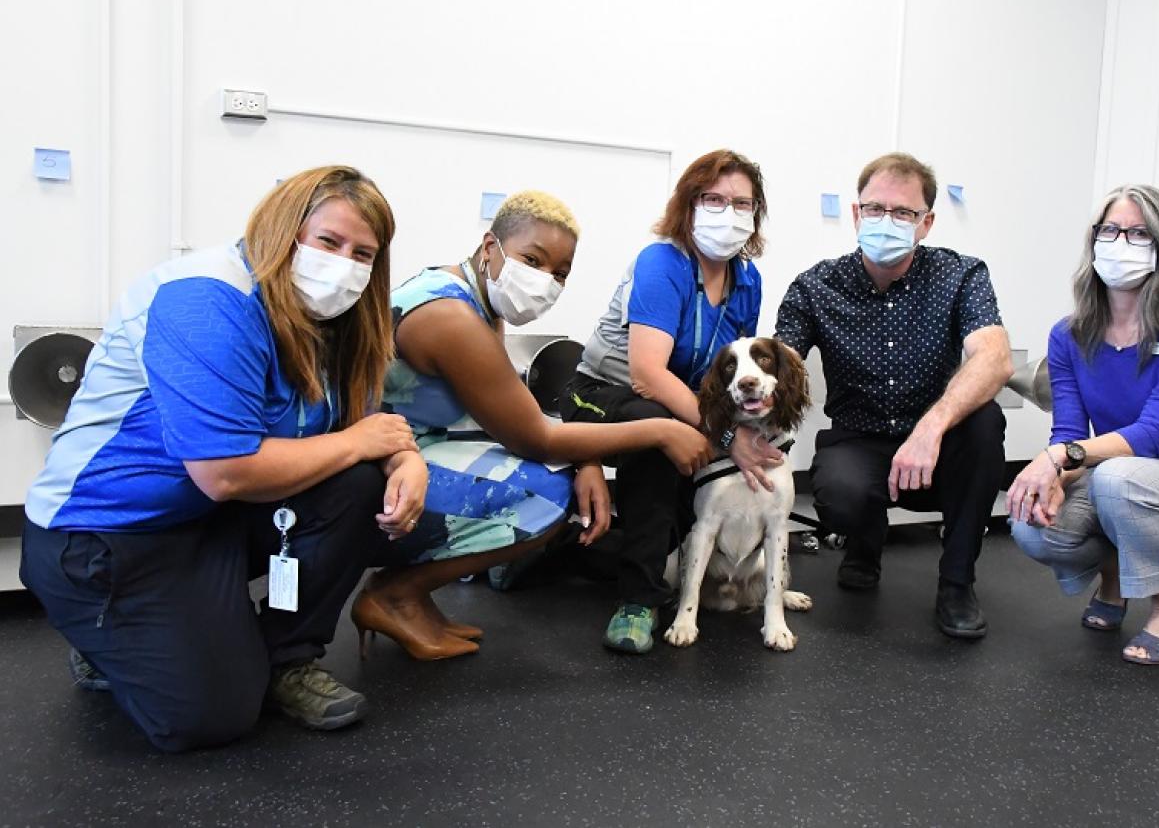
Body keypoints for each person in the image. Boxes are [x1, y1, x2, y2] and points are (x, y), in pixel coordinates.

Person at [20, 166, 427, 751]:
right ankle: (102, 639)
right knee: (210, 717)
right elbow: (226, 472)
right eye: (329, 242)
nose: (345, 266)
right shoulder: (207, 300)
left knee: (356, 484)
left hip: (202, 521)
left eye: (364, 253)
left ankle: (288, 660)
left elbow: (368, 426)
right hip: (104, 539)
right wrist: (365, 443)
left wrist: (404, 460)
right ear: (283, 230)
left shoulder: (335, 319)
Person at [352, 191, 712, 660]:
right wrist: (664, 431)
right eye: (532, 260)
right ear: (490, 247)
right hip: (375, 468)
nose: (545, 281)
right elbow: (536, 437)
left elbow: (520, 413)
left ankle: (411, 595)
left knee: (560, 470)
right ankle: (394, 594)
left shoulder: (473, 298)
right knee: (546, 494)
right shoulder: (451, 318)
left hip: (410, 446)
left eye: (559, 273)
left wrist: (585, 457)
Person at [1008, 184, 1159, 665]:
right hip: (1122, 486)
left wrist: (1057, 459)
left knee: (1121, 476)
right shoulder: (1069, 335)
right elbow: (1070, 433)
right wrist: (1055, 476)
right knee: (1031, 523)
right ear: (1094, 239)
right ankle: (1115, 576)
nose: (1121, 243)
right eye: (1111, 230)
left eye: (1139, 233)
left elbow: (1153, 435)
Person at [775, 152, 1012, 639]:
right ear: (856, 214)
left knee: (987, 423)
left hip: (937, 441)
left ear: (926, 223)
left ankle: (957, 582)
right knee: (840, 492)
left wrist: (932, 426)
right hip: (859, 437)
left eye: (903, 213)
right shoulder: (815, 286)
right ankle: (864, 543)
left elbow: (994, 359)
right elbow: (778, 367)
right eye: (876, 209)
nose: (888, 221)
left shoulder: (960, 275)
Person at [561, 149, 777, 654]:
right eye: (713, 199)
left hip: (675, 405)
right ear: (688, 204)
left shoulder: (749, 281)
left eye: (742, 204)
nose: (728, 213)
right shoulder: (663, 262)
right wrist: (725, 436)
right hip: (599, 396)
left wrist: (743, 433)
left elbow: (731, 371)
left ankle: (554, 555)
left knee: (678, 517)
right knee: (665, 436)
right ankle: (638, 602)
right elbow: (647, 374)